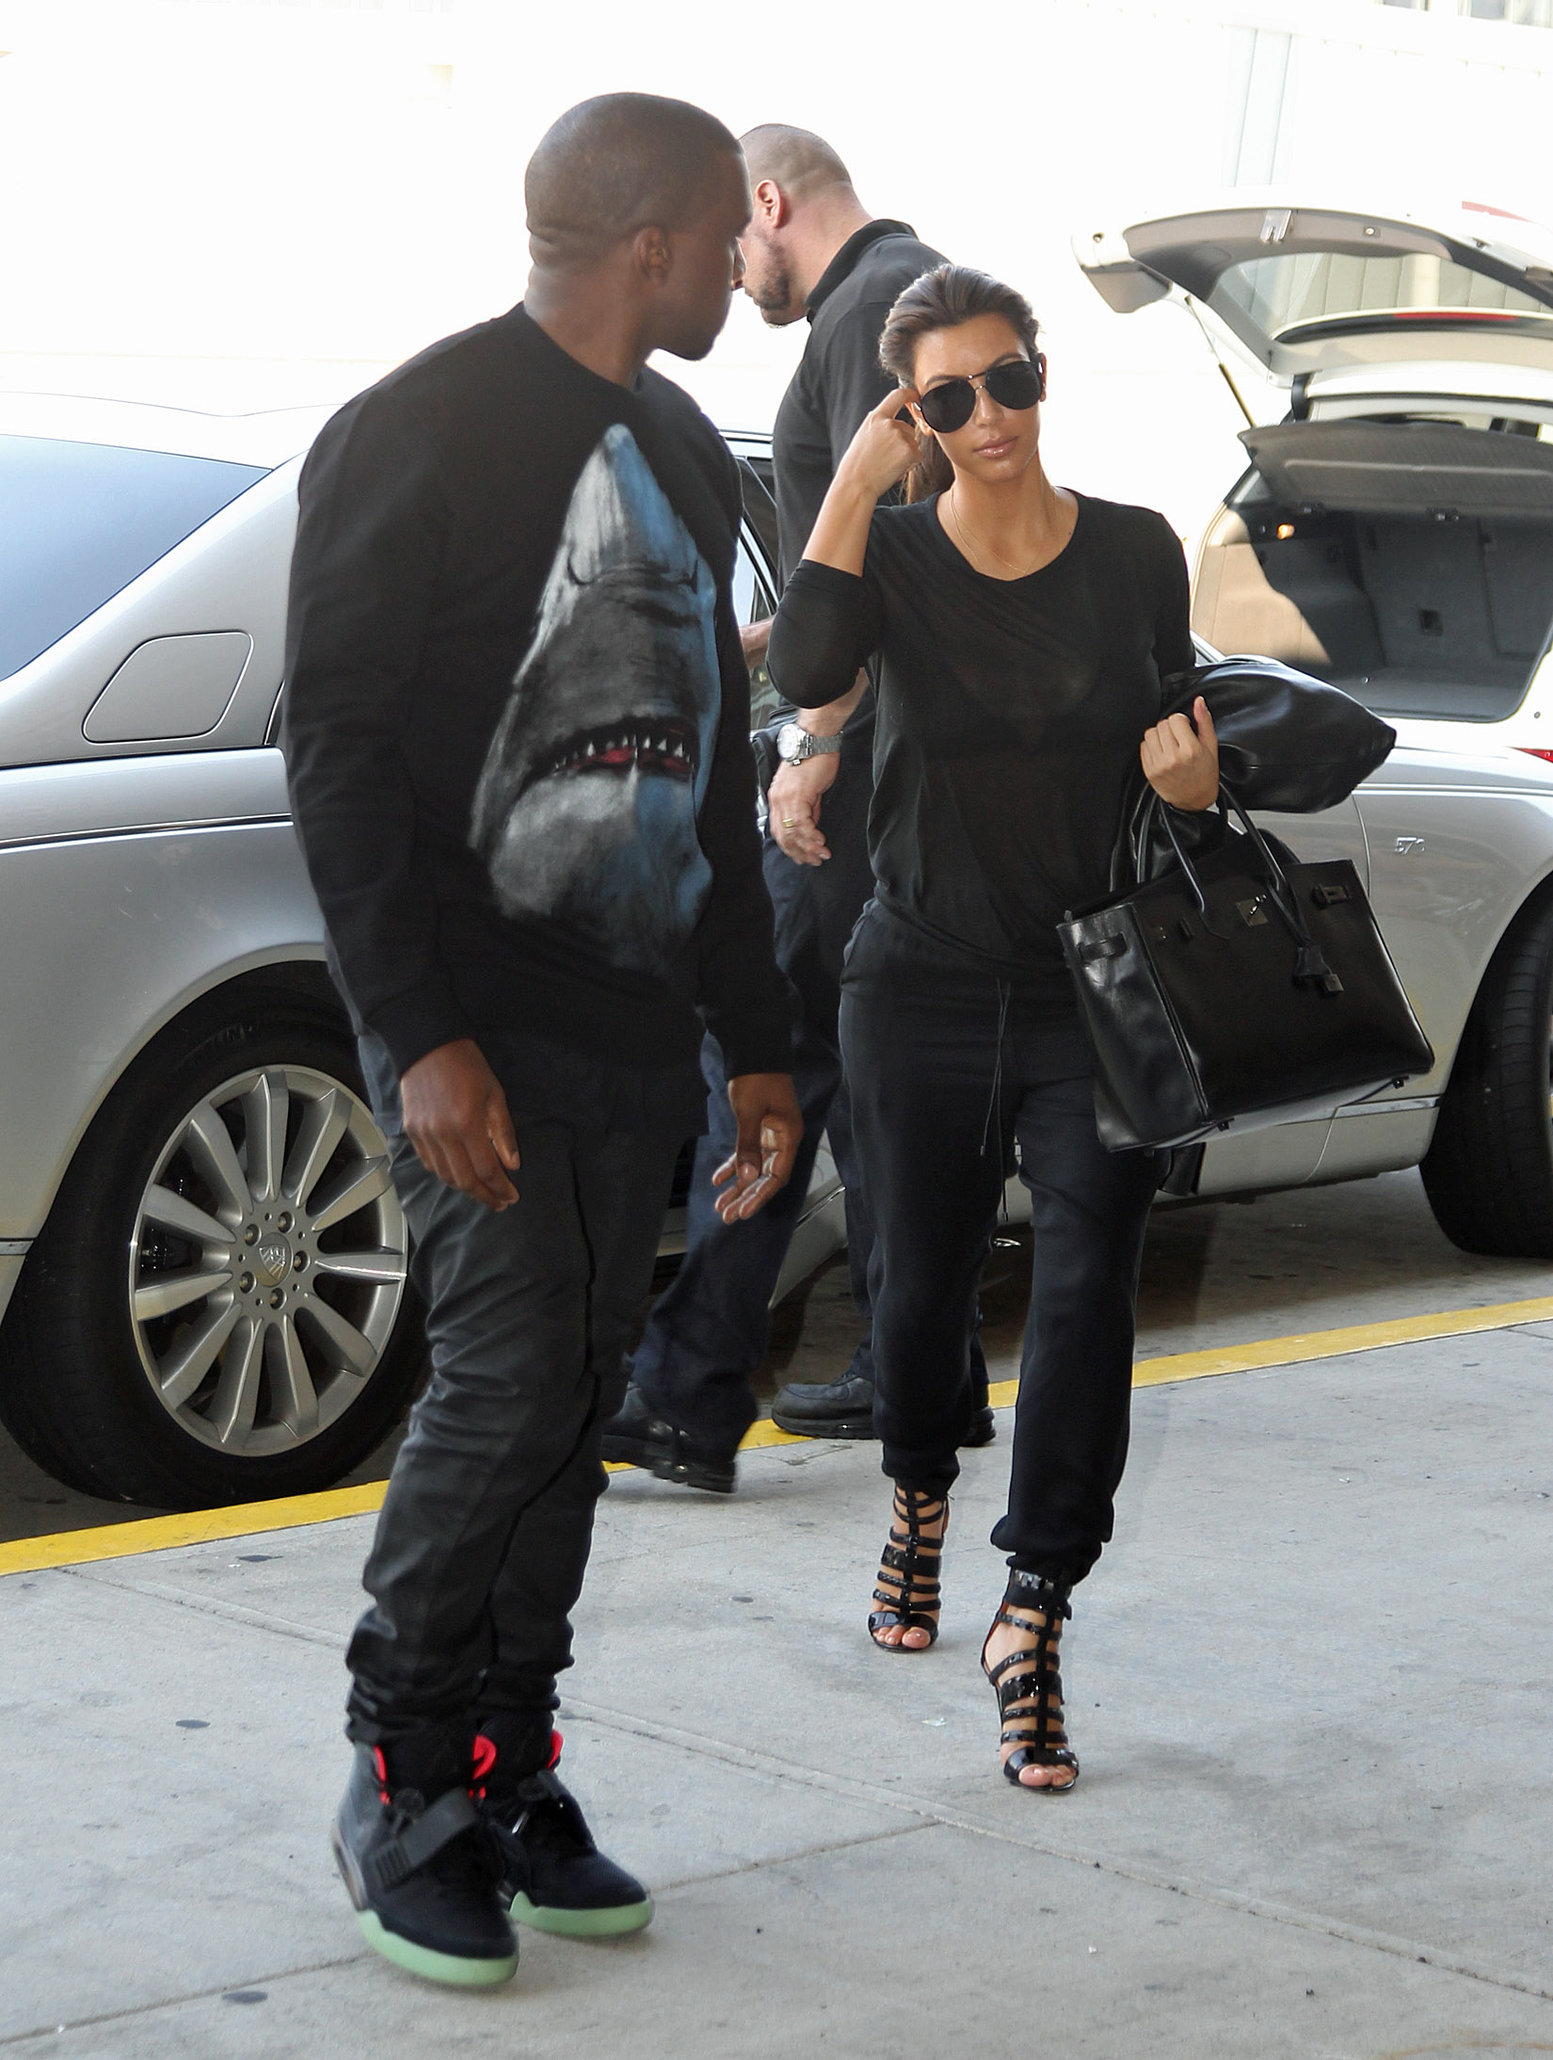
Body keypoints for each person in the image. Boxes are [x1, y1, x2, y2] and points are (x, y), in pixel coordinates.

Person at [282, 93, 801, 1987]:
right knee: (502, 1390)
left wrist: (755, 1038)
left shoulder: (676, 441)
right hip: (473, 1028)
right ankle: (397, 1772)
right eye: (722, 243)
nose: (750, 273)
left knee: (580, 1401)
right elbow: (329, 747)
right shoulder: (416, 432)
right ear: (650, 244)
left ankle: (507, 1766)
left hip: (629, 1025)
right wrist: (412, 1036)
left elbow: (706, 758)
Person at [767, 264, 1218, 1792]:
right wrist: (851, 476)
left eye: (1005, 380)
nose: (986, 418)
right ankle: (914, 1499)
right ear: (915, 415)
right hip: (919, 983)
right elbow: (813, 665)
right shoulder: (887, 556)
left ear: (1042, 374)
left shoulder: (1139, 553)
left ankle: (1032, 1611)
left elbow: (1182, 720)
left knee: (1088, 1296)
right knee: (913, 1299)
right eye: (943, 399)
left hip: (1092, 990)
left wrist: (1194, 793)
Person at [604, 125, 991, 1494]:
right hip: (917, 774)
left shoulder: (866, 322)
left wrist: (811, 739)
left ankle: (688, 1397)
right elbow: (868, 566)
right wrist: (742, 653)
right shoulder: (911, 307)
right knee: (857, 1072)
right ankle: (915, 1373)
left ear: (770, 202)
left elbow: (894, 560)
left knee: (759, 1063)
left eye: (729, 242)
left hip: (866, 773)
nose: (727, 273)